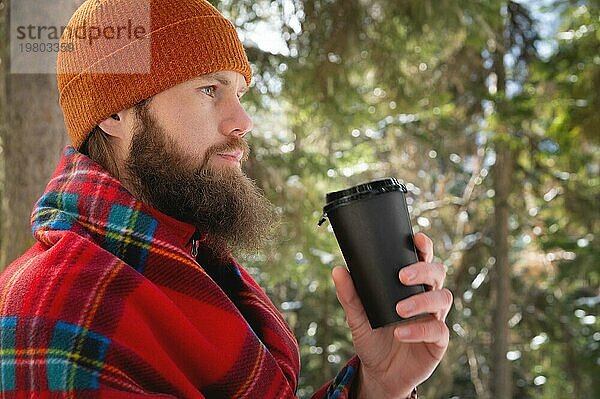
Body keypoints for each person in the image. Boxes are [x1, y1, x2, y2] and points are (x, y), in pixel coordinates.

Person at [0, 0, 453, 397]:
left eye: (238, 93)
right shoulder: (61, 306)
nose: (243, 121)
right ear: (115, 113)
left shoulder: (198, 267)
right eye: (208, 89)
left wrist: (376, 386)